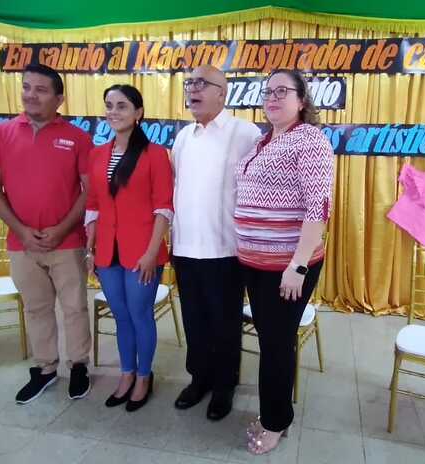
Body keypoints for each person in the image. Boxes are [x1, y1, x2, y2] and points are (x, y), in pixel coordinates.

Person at [235, 70, 335, 454]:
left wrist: (298, 266)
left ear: (302, 100)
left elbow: (317, 208)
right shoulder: (263, 141)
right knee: (270, 339)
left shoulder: (309, 140)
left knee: (276, 344)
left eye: (282, 91)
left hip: (287, 267)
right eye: (268, 92)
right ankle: (275, 412)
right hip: (256, 263)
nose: (273, 97)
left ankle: (276, 421)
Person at [0, 64, 93, 404]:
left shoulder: (78, 137)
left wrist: (62, 228)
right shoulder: (0, 133)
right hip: (22, 243)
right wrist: (21, 230)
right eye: (26, 87)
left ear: (59, 99)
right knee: (36, 308)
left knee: (74, 307)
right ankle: (45, 368)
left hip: (68, 242)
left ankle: (79, 366)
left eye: (41, 90)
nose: (31, 95)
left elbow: (89, 191)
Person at [170, 65, 262, 420]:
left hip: (225, 249)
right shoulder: (183, 137)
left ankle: (225, 385)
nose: (192, 89)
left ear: (222, 93)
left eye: (201, 84)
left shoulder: (245, 133)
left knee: (225, 323)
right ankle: (199, 379)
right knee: (194, 320)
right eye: (189, 83)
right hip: (185, 247)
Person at [84, 84, 173, 411]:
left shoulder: (155, 154)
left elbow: (163, 207)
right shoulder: (97, 154)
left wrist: (151, 253)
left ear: (138, 113)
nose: (113, 112)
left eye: (122, 106)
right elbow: (93, 205)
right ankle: (126, 374)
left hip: (142, 252)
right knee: (121, 316)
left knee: (139, 314)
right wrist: (90, 249)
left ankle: (144, 377)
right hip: (107, 251)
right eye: (109, 105)